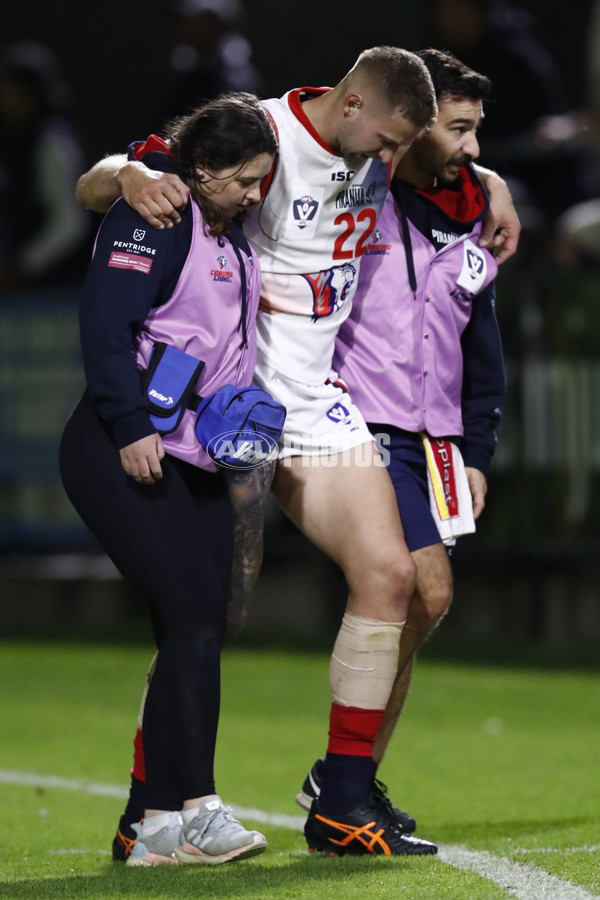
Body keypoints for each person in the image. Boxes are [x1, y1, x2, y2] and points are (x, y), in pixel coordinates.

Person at [76, 45, 520, 857]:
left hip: (317, 406)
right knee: (207, 615)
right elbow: (107, 176)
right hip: (232, 402)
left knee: (393, 578)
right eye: (386, 142)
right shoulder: (264, 136)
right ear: (351, 106)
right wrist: (126, 178)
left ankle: (344, 801)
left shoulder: (381, 146)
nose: (389, 163)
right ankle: (149, 802)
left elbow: (442, 164)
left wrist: (493, 185)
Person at [59, 92, 279, 867]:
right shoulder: (153, 209)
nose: (257, 195)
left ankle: (151, 826)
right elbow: (104, 327)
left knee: (193, 625)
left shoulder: (231, 234)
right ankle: (201, 807)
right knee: (192, 613)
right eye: (247, 179)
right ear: (205, 167)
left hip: (194, 456)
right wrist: (129, 424)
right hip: (123, 445)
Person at [294, 48, 506, 819]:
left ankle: (349, 776)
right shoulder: (352, 191)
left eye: (478, 131)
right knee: (420, 587)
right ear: (410, 128)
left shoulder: (473, 213)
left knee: (422, 603)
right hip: (359, 424)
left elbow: (481, 344)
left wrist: (475, 450)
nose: (473, 148)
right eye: (458, 128)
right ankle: (341, 784)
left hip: (434, 440)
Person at [0, 41, 91, 289]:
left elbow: (70, 224)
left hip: (54, 285)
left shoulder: (53, 144)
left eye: (16, 91)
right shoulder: (11, 139)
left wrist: (23, 265)